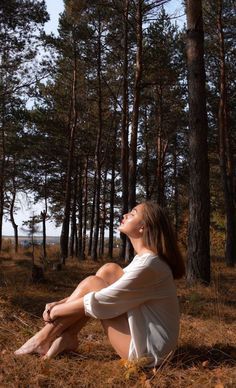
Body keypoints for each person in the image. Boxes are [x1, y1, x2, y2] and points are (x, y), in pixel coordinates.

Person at [14, 201, 185, 367]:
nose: (125, 215)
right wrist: (60, 303)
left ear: (143, 227)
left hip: (149, 353)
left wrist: (57, 311)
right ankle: (69, 335)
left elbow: (104, 300)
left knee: (93, 282)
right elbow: (113, 292)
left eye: (132, 213)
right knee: (108, 270)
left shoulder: (150, 265)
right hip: (145, 338)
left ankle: (42, 339)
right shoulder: (144, 260)